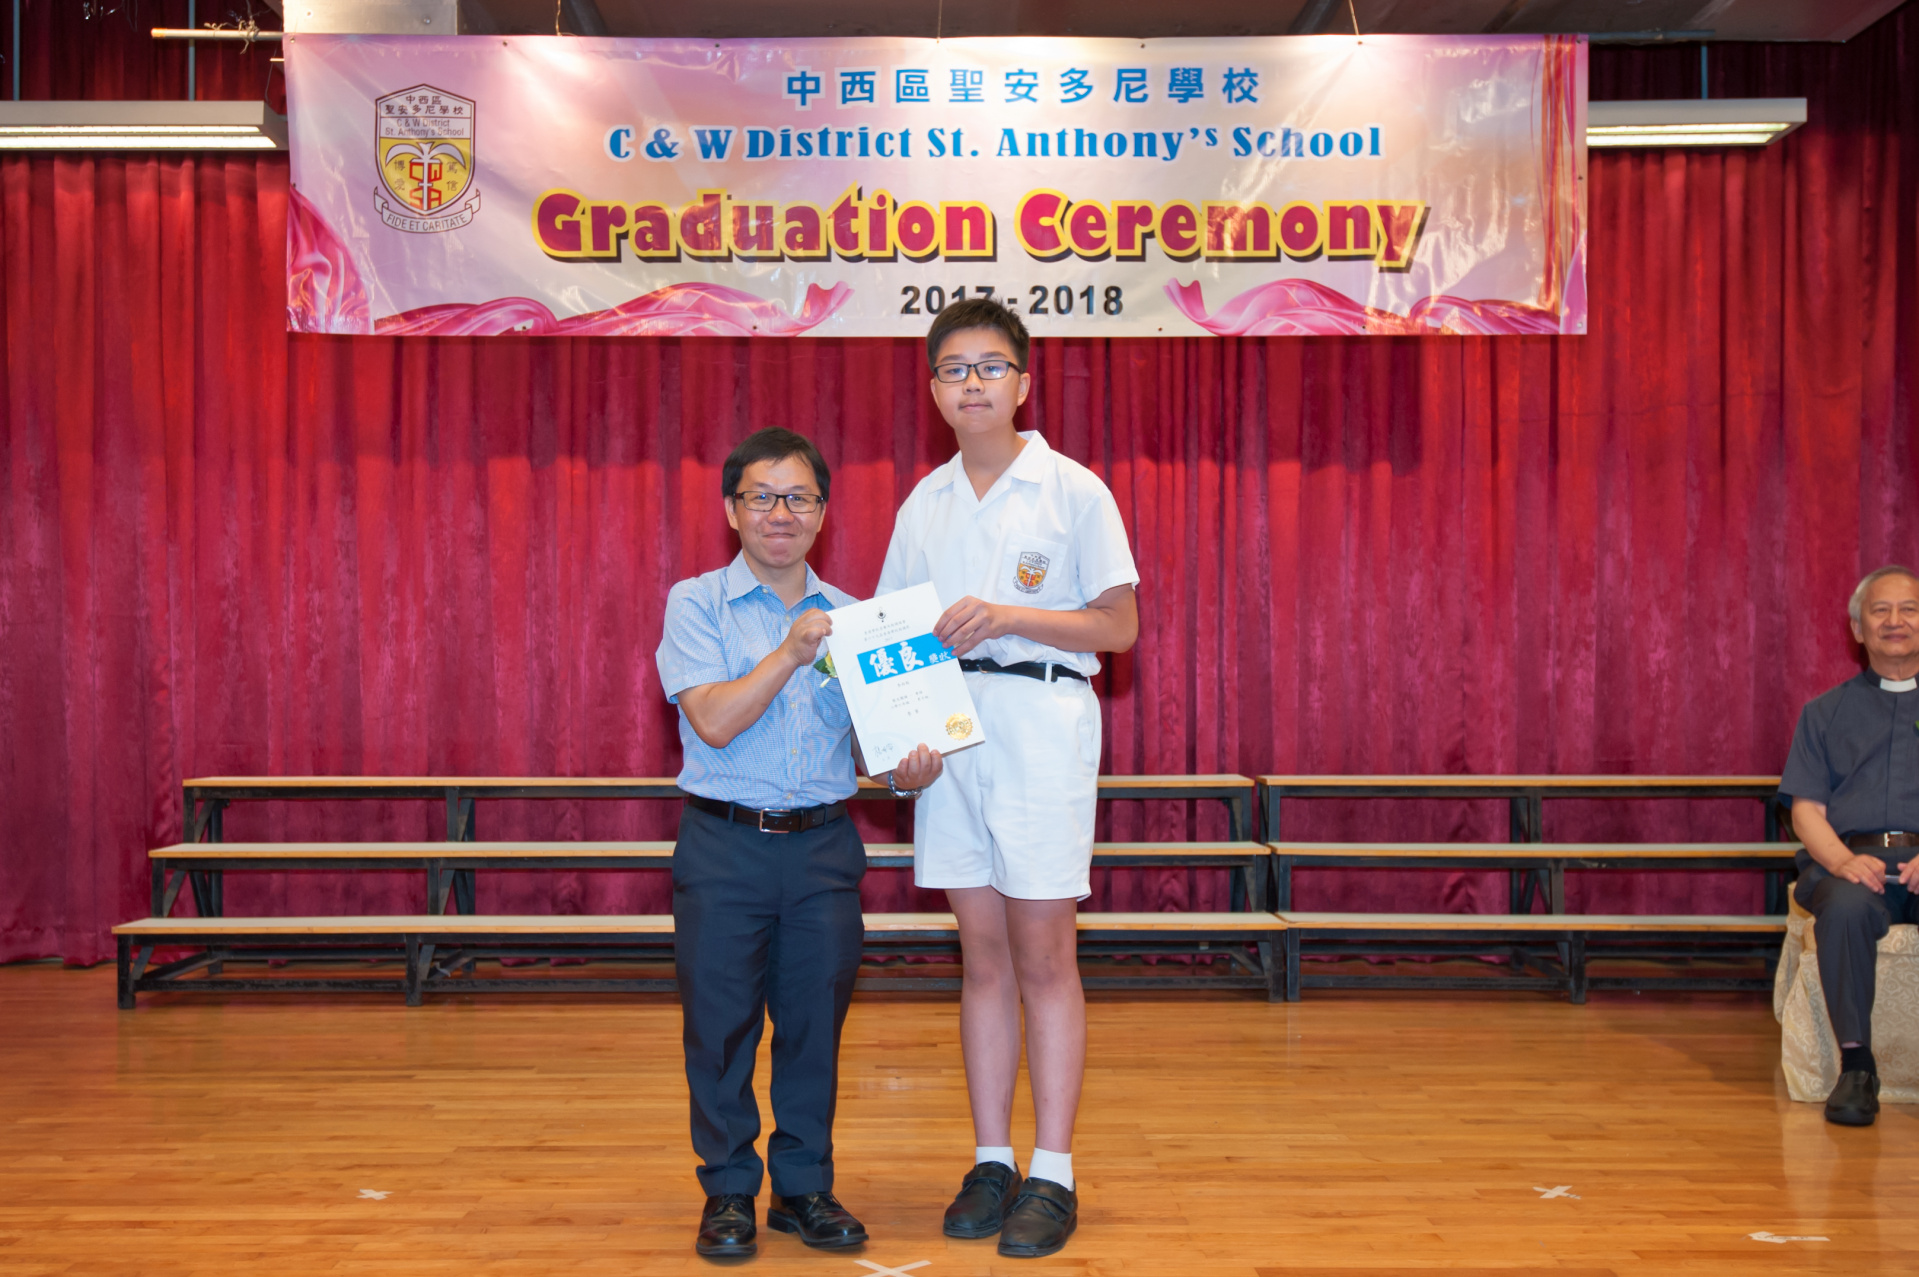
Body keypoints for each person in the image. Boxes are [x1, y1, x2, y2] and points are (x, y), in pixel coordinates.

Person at [876, 299, 1140, 1258]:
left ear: (1024, 383)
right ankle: (991, 1159)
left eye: (991, 366)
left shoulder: (1073, 490)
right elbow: (892, 641)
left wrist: (1010, 615)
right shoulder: (924, 501)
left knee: (1043, 957)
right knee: (980, 957)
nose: (972, 383)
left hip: (1040, 722)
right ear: (934, 389)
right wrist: (900, 749)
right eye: (953, 368)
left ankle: (1052, 1168)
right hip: (949, 734)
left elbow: (1118, 625)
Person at [654, 427, 941, 1256]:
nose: (780, 513)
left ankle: (803, 1186)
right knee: (720, 1026)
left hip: (821, 848)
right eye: (762, 497)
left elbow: (875, 746)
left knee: (814, 1023)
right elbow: (713, 719)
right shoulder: (695, 603)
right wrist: (789, 651)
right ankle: (728, 1189)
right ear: (731, 509)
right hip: (724, 844)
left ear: (821, 512)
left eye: (799, 498)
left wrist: (907, 770)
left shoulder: (861, 619)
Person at [1780, 564, 1919, 1127]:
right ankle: (1858, 1068)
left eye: (1909, 609)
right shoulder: (1824, 713)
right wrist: (1840, 860)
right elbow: (1806, 810)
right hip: (1851, 864)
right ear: (1858, 629)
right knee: (1843, 906)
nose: (1895, 621)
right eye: (1880, 611)